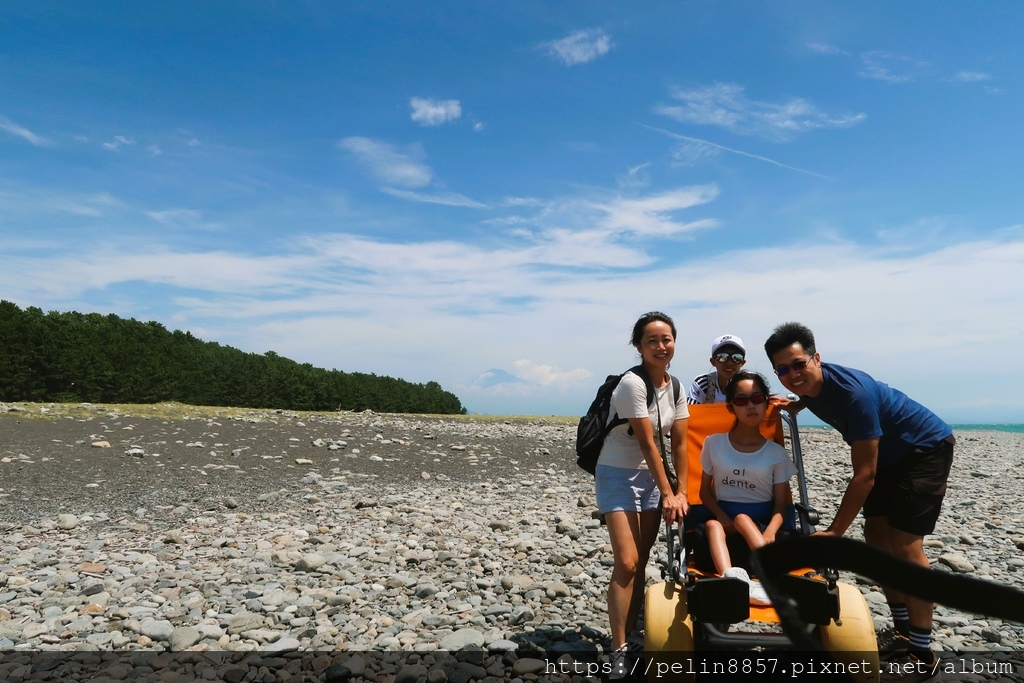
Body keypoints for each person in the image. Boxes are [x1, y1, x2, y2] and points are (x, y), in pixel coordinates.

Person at [764, 322, 954, 675]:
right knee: (876, 536)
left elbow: (865, 475)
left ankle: (922, 653)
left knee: (904, 545)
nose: (792, 374)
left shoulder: (856, 397)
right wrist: (797, 404)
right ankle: (902, 630)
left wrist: (835, 532)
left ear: (816, 358)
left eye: (799, 364)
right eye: (783, 370)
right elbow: (815, 392)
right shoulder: (811, 385)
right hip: (890, 454)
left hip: (924, 449)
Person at [596, 311, 689, 678]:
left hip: (653, 478)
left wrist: (682, 491)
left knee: (643, 557)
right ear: (638, 346)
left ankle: (632, 631)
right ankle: (618, 648)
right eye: (652, 340)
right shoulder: (631, 384)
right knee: (628, 562)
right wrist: (669, 494)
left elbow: (679, 443)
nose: (661, 346)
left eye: (667, 339)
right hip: (617, 474)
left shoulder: (676, 387)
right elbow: (649, 443)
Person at [698, 370, 796, 606]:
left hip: (760, 523)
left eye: (757, 398)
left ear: (766, 403)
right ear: (731, 407)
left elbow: (781, 504)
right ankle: (731, 577)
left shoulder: (775, 453)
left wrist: (770, 532)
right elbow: (704, 492)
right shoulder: (713, 443)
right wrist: (721, 516)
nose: (750, 406)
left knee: (743, 518)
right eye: (741, 400)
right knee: (712, 524)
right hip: (725, 520)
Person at [687, 334, 747, 404]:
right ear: (713, 362)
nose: (729, 362)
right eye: (722, 357)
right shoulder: (703, 383)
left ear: (743, 362)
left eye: (736, 358)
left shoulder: (751, 385)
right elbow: (691, 409)